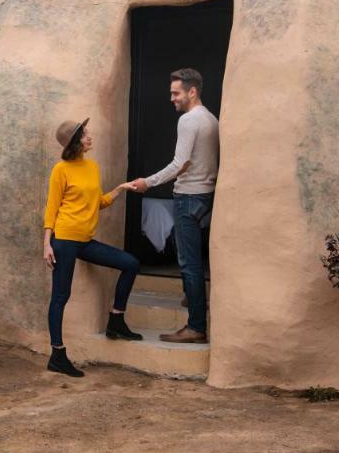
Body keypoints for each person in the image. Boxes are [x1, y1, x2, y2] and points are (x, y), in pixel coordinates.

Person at [42, 118, 142, 377]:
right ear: (75, 142)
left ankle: (116, 320)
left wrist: (121, 188)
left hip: (84, 240)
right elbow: (52, 208)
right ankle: (57, 354)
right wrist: (47, 245)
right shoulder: (61, 170)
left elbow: (97, 202)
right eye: (84, 134)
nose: (89, 136)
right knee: (61, 297)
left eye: (87, 133)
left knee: (130, 263)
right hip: (63, 240)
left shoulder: (92, 167)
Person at [130, 68, 219, 344]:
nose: (172, 98)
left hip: (188, 196)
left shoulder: (189, 121)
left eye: (176, 92)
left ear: (192, 92)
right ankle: (192, 298)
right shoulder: (211, 118)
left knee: (189, 264)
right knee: (191, 259)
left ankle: (195, 326)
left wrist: (148, 182)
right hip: (205, 195)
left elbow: (179, 164)